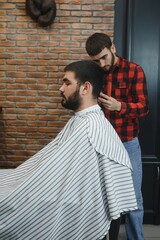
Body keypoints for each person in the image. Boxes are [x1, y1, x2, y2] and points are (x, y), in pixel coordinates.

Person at [0, 60, 137, 240]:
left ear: (85, 88)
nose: (61, 89)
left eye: (67, 82)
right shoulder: (85, 120)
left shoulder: (90, 128)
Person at [85, 33, 149, 240]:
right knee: (100, 195)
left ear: (112, 48)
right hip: (101, 143)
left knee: (134, 197)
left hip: (128, 142)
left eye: (103, 57)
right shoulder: (94, 73)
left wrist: (119, 106)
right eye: (96, 60)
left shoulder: (134, 70)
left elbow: (144, 108)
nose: (101, 64)